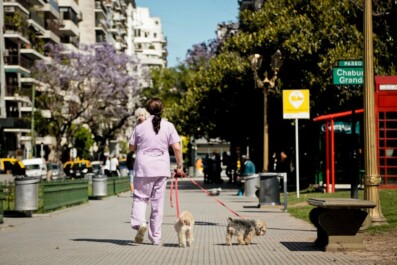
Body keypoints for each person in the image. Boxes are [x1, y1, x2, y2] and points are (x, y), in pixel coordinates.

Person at [128, 97, 183, 245]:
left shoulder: (139, 127)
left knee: (140, 198)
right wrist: (179, 165)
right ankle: (155, 238)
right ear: (162, 109)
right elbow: (177, 148)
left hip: (143, 168)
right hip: (161, 169)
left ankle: (140, 223)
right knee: (158, 204)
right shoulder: (169, 126)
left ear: (147, 110)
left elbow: (131, 148)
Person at [128, 107, 150, 194]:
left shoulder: (149, 126)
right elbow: (132, 145)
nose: (141, 117)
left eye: (142, 115)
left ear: (146, 116)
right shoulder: (137, 127)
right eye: (139, 115)